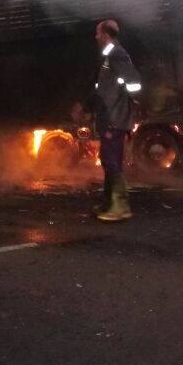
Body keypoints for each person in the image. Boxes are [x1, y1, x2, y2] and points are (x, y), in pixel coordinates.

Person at [77, 19, 142, 222]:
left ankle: (120, 206)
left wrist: (125, 103)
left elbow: (134, 84)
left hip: (115, 118)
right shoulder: (108, 57)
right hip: (109, 116)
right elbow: (101, 89)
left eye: (98, 33)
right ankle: (109, 203)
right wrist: (87, 106)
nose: (96, 37)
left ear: (106, 35)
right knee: (108, 159)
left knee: (111, 159)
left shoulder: (117, 55)